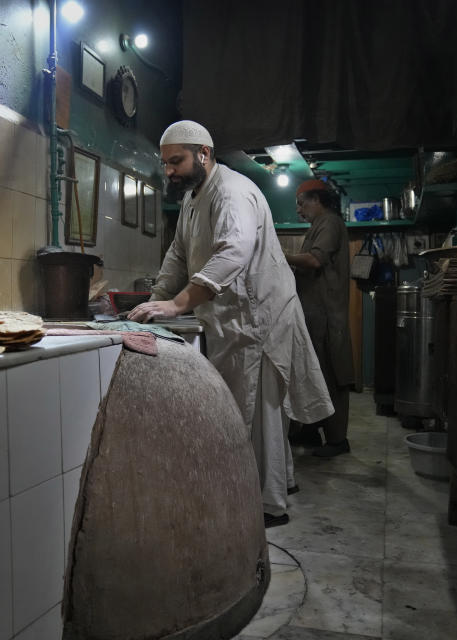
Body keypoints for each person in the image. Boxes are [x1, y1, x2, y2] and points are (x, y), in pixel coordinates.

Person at [128, 120, 334, 528]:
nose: (168, 170)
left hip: (259, 317)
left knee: (258, 411)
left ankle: (267, 506)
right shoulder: (193, 196)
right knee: (261, 415)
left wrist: (178, 304)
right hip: (235, 317)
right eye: (165, 162)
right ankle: (281, 482)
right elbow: (178, 256)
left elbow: (232, 253)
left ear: (203, 154)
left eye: (176, 161)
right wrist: (155, 302)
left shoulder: (231, 191)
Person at [285, 179, 355, 457]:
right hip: (314, 313)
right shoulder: (318, 225)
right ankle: (312, 430)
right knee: (313, 374)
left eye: (302, 203)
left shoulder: (330, 222)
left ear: (317, 199)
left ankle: (338, 440)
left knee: (331, 374)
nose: (300, 210)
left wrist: (279, 256)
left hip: (327, 314)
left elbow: (315, 261)